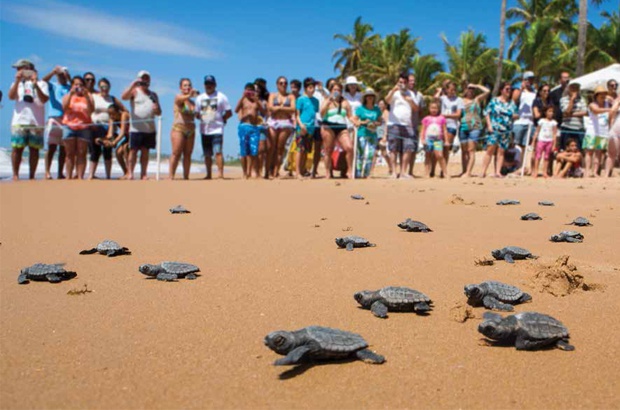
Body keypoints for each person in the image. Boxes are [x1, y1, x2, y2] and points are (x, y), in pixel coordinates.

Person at [8, 59, 49, 180]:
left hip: (36, 122)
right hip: (19, 121)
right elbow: (11, 96)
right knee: (17, 148)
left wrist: (35, 84)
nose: (18, 71)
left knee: (34, 150)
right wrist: (17, 81)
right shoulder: (17, 83)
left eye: (20, 68)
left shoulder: (42, 83)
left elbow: (44, 99)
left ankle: (32, 175)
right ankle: (15, 174)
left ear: (28, 69)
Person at [121, 70, 161, 180]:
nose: (145, 80)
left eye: (147, 78)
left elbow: (159, 113)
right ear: (139, 79)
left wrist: (157, 109)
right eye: (143, 78)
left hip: (149, 129)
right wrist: (132, 85)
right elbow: (123, 97)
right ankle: (130, 173)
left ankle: (144, 174)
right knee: (133, 151)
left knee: (145, 152)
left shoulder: (154, 95)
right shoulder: (134, 91)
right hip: (135, 129)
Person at [195, 75, 232, 179]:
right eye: (207, 84)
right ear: (204, 85)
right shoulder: (199, 98)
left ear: (215, 85)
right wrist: (201, 117)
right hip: (204, 130)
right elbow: (196, 113)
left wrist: (222, 119)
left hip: (217, 129)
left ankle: (220, 174)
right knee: (207, 154)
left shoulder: (221, 96)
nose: (209, 86)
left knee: (218, 152)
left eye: (211, 84)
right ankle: (208, 174)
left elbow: (229, 112)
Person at [480, 81, 518, 178]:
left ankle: (498, 172)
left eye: (510, 89)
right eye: (507, 89)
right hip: (494, 128)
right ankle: (483, 171)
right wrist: (489, 125)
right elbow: (487, 112)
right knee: (490, 150)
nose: (509, 91)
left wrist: (514, 116)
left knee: (501, 152)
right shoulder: (494, 101)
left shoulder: (511, 103)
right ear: (502, 90)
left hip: (506, 130)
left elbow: (516, 114)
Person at [90, 78, 125, 179]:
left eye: (106, 87)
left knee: (107, 151)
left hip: (109, 126)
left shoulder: (113, 99)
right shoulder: (94, 97)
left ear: (109, 87)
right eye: (102, 87)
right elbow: (88, 110)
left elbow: (123, 110)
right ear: (99, 87)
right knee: (95, 151)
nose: (104, 89)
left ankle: (108, 176)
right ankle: (91, 175)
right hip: (96, 126)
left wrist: (117, 120)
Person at [386, 73, 418, 178]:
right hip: (394, 124)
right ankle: (394, 172)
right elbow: (386, 100)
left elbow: (416, 109)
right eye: (400, 82)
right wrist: (393, 90)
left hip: (407, 124)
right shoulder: (394, 93)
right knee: (393, 148)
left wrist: (410, 101)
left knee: (408, 148)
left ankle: (403, 172)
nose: (402, 84)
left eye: (404, 82)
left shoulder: (411, 94)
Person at [62, 76, 94, 179]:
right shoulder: (68, 95)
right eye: (76, 84)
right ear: (72, 85)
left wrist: (87, 97)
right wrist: (71, 94)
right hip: (69, 125)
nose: (78, 87)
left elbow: (90, 111)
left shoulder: (88, 96)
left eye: (80, 85)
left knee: (82, 152)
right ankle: (68, 176)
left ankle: (80, 176)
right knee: (69, 153)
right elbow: (65, 108)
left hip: (84, 126)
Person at [41, 65, 70, 179]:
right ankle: (47, 172)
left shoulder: (70, 87)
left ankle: (60, 173)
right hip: (54, 118)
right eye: (60, 74)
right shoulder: (53, 85)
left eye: (64, 74)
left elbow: (77, 87)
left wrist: (69, 77)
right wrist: (53, 72)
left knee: (63, 148)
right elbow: (43, 81)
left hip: (66, 119)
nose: (62, 76)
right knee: (51, 146)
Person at [320, 81, 354, 178]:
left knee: (349, 147)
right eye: (334, 89)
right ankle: (327, 172)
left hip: (342, 126)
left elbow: (350, 116)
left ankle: (349, 170)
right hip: (328, 126)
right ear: (331, 91)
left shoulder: (345, 102)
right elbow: (321, 114)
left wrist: (355, 121)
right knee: (328, 150)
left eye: (339, 90)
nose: (337, 91)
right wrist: (328, 102)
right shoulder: (327, 100)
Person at [235, 83, 266, 178]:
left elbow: (264, 112)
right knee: (244, 150)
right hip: (244, 126)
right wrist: (242, 97)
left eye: (250, 90)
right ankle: (244, 173)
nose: (249, 92)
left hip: (254, 127)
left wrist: (257, 100)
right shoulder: (243, 100)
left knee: (253, 150)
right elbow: (236, 110)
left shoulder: (256, 101)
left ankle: (249, 171)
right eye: (247, 90)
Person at [267, 76, 296, 178]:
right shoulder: (272, 95)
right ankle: (268, 171)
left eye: (285, 83)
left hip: (285, 122)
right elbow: (270, 108)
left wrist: (278, 108)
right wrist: (283, 108)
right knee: (271, 147)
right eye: (281, 83)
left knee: (280, 148)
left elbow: (293, 109)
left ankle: (275, 171)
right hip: (273, 122)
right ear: (277, 84)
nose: (283, 85)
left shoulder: (291, 96)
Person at [169, 78, 197, 180]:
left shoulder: (193, 102)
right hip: (179, 128)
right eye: (185, 85)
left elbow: (196, 115)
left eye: (189, 85)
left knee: (188, 154)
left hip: (191, 129)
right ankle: (171, 176)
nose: (187, 87)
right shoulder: (178, 97)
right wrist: (190, 94)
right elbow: (180, 101)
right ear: (180, 88)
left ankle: (186, 176)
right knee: (176, 152)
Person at [459, 83, 489, 177]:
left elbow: (487, 91)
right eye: (469, 88)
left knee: (471, 150)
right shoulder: (461, 101)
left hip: (475, 127)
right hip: (463, 126)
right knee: (464, 151)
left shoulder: (477, 100)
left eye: (472, 89)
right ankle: (464, 170)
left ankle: (468, 172)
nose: (470, 90)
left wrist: (477, 85)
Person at [353, 88, 382, 178]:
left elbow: (380, 122)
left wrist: (374, 124)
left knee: (370, 154)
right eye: (368, 96)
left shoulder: (377, 109)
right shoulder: (360, 109)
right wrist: (363, 122)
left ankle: (366, 173)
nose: (369, 98)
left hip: (372, 134)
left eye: (371, 96)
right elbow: (355, 119)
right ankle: (358, 173)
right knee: (360, 154)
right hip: (362, 133)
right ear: (365, 98)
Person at [511, 71, 537, 174]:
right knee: (517, 144)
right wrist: (521, 88)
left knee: (527, 145)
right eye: (527, 79)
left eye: (531, 79)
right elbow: (514, 100)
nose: (529, 81)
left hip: (531, 122)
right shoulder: (519, 90)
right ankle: (517, 165)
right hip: (520, 121)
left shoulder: (534, 92)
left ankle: (523, 167)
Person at [583, 86, 611, 177]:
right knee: (589, 152)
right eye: (601, 94)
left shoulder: (608, 104)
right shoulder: (592, 104)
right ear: (596, 95)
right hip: (592, 131)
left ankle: (595, 172)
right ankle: (587, 171)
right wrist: (610, 109)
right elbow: (596, 111)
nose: (603, 96)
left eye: (604, 94)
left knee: (598, 153)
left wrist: (611, 100)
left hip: (603, 132)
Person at [295, 78, 320, 179]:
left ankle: (302, 170)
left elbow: (315, 114)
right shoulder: (300, 99)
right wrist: (301, 125)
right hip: (301, 127)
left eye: (313, 87)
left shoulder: (316, 101)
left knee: (306, 151)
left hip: (311, 128)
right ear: (305, 88)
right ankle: (297, 172)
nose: (312, 89)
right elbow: (297, 115)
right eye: (310, 87)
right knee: (300, 149)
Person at [437, 81, 464, 173]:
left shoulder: (459, 100)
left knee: (446, 147)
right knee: (437, 148)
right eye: (451, 89)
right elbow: (435, 99)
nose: (452, 91)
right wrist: (440, 90)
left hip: (451, 125)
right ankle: (434, 169)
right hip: (439, 126)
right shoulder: (443, 98)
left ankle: (443, 170)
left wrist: (445, 116)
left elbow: (458, 114)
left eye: (454, 90)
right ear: (447, 90)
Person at [420, 101, 449, 178]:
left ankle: (445, 172)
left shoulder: (442, 118)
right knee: (428, 155)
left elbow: (445, 130)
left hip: (438, 140)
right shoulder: (426, 119)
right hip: (428, 140)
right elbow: (423, 130)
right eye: (432, 108)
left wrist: (446, 140)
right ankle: (426, 173)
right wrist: (422, 139)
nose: (434, 110)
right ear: (429, 109)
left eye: (435, 108)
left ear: (438, 109)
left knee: (439, 155)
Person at [104, 103, 130, 179]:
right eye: (109, 114)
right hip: (127, 137)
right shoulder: (112, 119)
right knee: (118, 152)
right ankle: (125, 172)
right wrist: (105, 140)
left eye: (113, 114)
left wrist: (114, 142)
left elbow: (121, 133)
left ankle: (129, 172)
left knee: (125, 148)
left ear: (118, 111)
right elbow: (110, 134)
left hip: (134, 135)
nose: (111, 116)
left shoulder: (124, 115)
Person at [531, 106, 558, 178]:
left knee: (546, 157)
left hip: (549, 141)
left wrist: (554, 144)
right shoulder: (541, 121)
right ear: (545, 112)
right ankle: (536, 171)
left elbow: (555, 134)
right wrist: (533, 141)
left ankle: (544, 172)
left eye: (552, 112)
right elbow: (537, 131)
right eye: (549, 111)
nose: (551, 113)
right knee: (538, 156)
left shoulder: (554, 122)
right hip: (541, 140)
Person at [559, 82, 587, 151]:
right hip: (567, 127)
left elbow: (584, 112)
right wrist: (572, 100)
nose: (575, 90)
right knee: (565, 149)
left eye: (576, 88)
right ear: (569, 89)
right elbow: (566, 111)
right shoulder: (563, 99)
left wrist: (570, 115)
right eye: (573, 88)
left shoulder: (582, 99)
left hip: (579, 128)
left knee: (579, 150)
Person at [406, 74, 424, 176]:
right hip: (403, 125)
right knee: (403, 149)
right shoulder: (402, 93)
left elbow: (421, 111)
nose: (412, 82)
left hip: (414, 125)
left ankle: (410, 171)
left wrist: (419, 124)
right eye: (410, 80)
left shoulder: (419, 95)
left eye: (414, 81)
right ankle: (402, 170)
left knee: (413, 149)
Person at [254, 78, 270, 178]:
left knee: (262, 149)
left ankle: (259, 171)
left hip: (262, 126)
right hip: (251, 126)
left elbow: (266, 113)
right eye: (254, 89)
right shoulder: (248, 100)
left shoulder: (265, 100)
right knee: (252, 150)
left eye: (258, 89)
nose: (256, 91)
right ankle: (253, 170)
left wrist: (258, 102)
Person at [372, 99, 391, 176]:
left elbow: (387, 124)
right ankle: (371, 170)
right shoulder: (376, 112)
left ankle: (391, 167)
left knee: (384, 153)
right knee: (374, 153)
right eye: (379, 104)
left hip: (382, 134)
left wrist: (385, 136)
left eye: (382, 104)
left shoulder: (386, 113)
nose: (381, 106)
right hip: (375, 134)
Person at [605, 97, 620, 177]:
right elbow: (611, 112)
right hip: (615, 130)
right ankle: (606, 175)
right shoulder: (617, 101)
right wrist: (617, 103)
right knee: (611, 154)